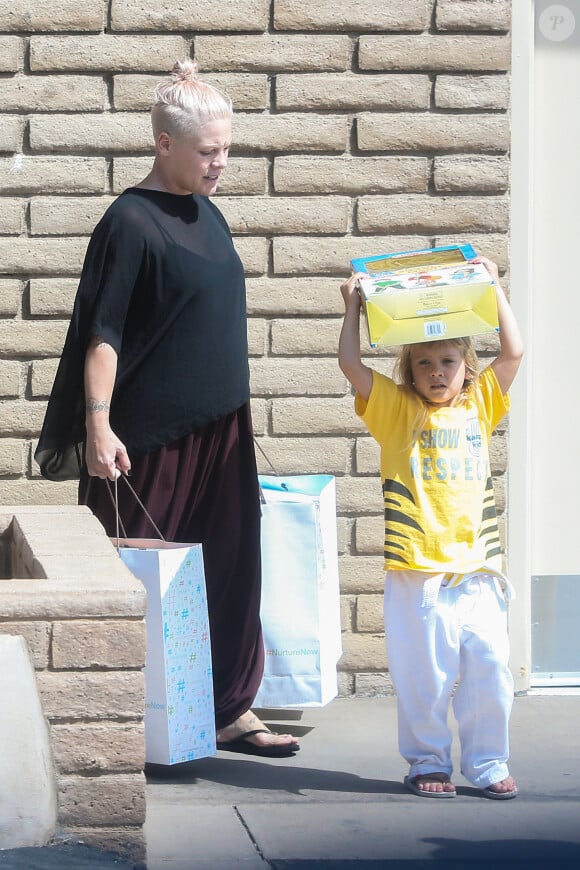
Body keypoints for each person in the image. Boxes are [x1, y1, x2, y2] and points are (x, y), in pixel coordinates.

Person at [35, 59, 299, 758]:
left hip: (221, 426)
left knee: (232, 570)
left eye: (226, 147)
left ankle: (228, 709)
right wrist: (98, 423)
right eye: (208, 150)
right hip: (149, 438)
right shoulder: (128, 220)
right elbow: (103, 333)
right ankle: (126, 720)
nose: (221, 162)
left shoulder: (205, 211)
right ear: (163, 145)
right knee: (140, 578)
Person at [338, 256, 523, 798]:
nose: (438, 372)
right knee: (425, 677)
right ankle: (427, 761)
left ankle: (489, 763)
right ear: (409, 372)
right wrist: (353, 309)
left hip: (479, 569)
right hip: (418, 571)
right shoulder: (396, 411)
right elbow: (351, 365)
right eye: (425, 364)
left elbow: (512, 352)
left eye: (448, 361)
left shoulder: (481, 405)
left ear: (466, 367)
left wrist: (494, 286)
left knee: (491, 666)